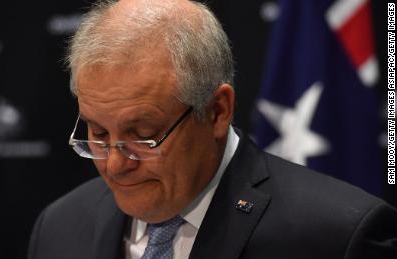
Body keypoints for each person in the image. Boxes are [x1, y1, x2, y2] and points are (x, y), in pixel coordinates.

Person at [28, 0, 397, 258]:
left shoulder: (336, 238)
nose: (114, 165)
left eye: (142, 135)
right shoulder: (60, 227)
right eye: (98, 134)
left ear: (217, 111)